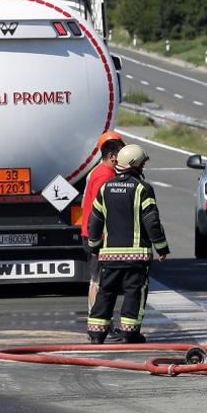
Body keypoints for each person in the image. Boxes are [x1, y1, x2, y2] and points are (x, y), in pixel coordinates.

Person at [86, 144, 169, 344]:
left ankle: (97, 334)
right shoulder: (142, 189)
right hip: (136, 257)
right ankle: (129, 333)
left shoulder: (106, 188)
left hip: (109, 257)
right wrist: (161, 247)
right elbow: (152, 221)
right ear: (135, 165)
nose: (143, 167)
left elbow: (94, 220)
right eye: (142, 164)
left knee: (106, 292)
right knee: (134, 292)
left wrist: (94, 246)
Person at [81, 130, 125, 309]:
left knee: (98, 279)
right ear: (112, 156)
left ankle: (98, 321)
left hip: (95, 234)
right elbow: (99, 209)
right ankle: (98, 321)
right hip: (99, 236)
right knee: (99, 281)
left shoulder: (100, 172)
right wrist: (99, 236)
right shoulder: (105, 175)